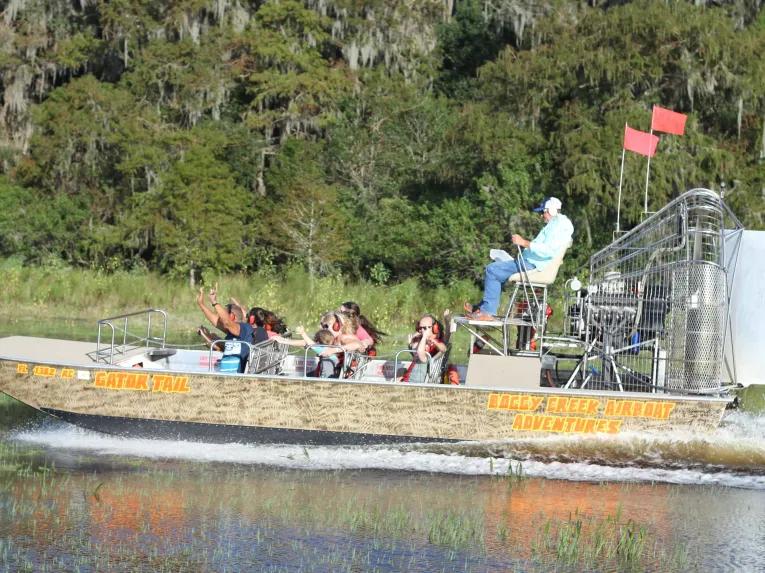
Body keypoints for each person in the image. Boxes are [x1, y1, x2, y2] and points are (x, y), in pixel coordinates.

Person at [466, 197, 573, 320]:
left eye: (543, 212)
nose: (542, 216)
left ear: (552, 211)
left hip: (532, 264)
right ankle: (483, 308)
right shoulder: (559, 224)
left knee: (492, 270)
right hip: (531, 262)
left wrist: (523, 242)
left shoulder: (557, 226)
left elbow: (547, 250)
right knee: (498, 269)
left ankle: (487, 312)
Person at [196, 285, 255, 373]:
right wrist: (201, 304)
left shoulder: (244, 328)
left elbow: (227, 322)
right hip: (225, 375)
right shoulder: (232, 331)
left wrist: (214, 303)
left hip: (236, 375)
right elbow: (215, 321)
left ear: (231, 316)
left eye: (223, 315)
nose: (220, 317)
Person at [275, 327, 342, 378]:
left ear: (319, 341)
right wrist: (284, 340)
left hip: (327, 379)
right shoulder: (332, 348)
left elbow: (311, 344)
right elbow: (305, 343)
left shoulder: (324, 350)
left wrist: (303, 333)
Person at [401, 313, 448, 383]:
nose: (422, 330)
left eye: (425, 328)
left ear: (434, 328)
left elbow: (444, 348)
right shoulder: (419, 340)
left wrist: (426, 338)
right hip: (410, 377)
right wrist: (414, 341)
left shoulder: (436, 341)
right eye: (420, 328)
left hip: (414, 379)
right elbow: (415, 351)